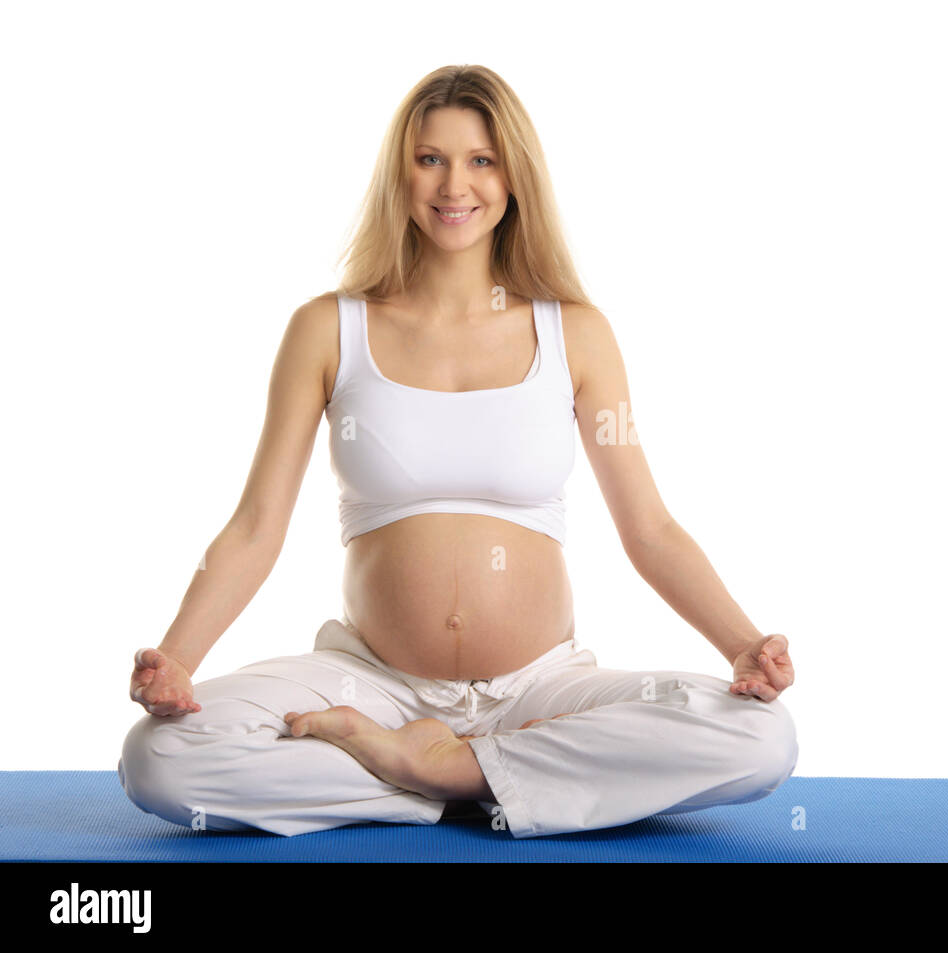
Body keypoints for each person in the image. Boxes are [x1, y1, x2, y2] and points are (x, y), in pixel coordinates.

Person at [118, 64, 797, 838]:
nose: (454, 185)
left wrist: (744, 645)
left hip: (539, 688)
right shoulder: (325, 329)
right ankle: (490, 775)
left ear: (514, 177)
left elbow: (651, 530)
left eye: (480, 159)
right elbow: (254, 528)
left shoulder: (575, 332)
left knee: (762, 739)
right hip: (370, 683)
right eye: (429, 158)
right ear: (398, 175)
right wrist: (176, 656)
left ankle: (438, 769)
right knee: (161, 760)